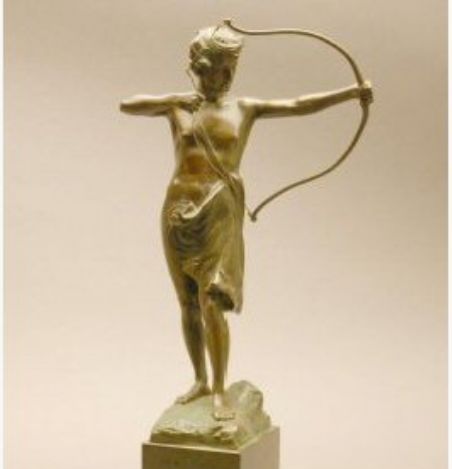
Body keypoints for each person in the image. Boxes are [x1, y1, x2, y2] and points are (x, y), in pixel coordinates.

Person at [120, 24, 373, 420]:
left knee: (212, 301)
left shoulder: (245, 108)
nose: (214, 78)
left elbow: (298, 104)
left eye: (222, 71)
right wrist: (174, 98)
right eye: (207, 70)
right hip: (177, 208)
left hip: (220, 209)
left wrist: (351, 93)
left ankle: (221, 390)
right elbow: (128, 104)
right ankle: (200, 379)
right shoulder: (180, 107)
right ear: (197, 69)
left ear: (229, 71)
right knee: (187, 301)